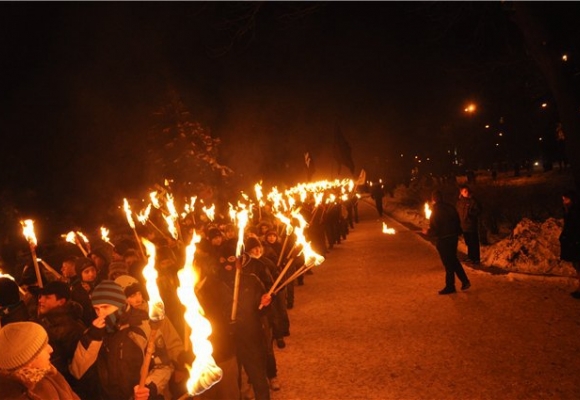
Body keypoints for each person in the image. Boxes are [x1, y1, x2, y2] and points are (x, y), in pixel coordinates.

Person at [70, 280, 174, 400]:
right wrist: (93, 337)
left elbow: (163, 366)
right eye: (97, 309)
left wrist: (149, 388)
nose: (101, 314)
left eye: (105, 307)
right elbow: (77, 371)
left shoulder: (144, 327)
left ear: (120, 303)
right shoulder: (94, 332)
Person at [35, 280, 99, 399]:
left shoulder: (72, 329)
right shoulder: (46, 321)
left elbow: (76, 365)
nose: (40, 300)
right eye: (41, 296)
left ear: (61, 301)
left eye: (47, 297)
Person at [0, 321, 80, 399]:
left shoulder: (47, 371)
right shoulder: (21, 395)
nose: (51, 349)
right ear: (28, 361)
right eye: (43, 347)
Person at [425, 190, 471, 295]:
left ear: (434, 199)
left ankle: (450, 286)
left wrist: (428, 232)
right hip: (453, 237)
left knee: (448, 263)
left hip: (444, 239)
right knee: (453, 259)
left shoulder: (435, 211)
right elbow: (457, 220)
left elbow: (435, 228)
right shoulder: (450, 207)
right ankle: (465, 281)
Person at [559, 190, 580, 298]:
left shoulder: (575, 211)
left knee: (578, 264)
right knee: (577, 265)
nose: (564, 201)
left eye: (566, 199)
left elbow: (574, 226)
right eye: (563, 199)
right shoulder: (569, 210)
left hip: (576, 240)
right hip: (572, 240)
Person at [456, 184, 482, 264]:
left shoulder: (472, 201)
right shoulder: (460, 202)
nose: (466, 192)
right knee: (468, 243)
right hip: (463, 226)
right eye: (464, 191)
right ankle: (470, 257)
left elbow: (479, 210)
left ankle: (476, 259)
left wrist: (471, 214)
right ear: (461, 193)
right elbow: (457, 213)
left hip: (471, 225)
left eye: (467, 191)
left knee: (474, 242)